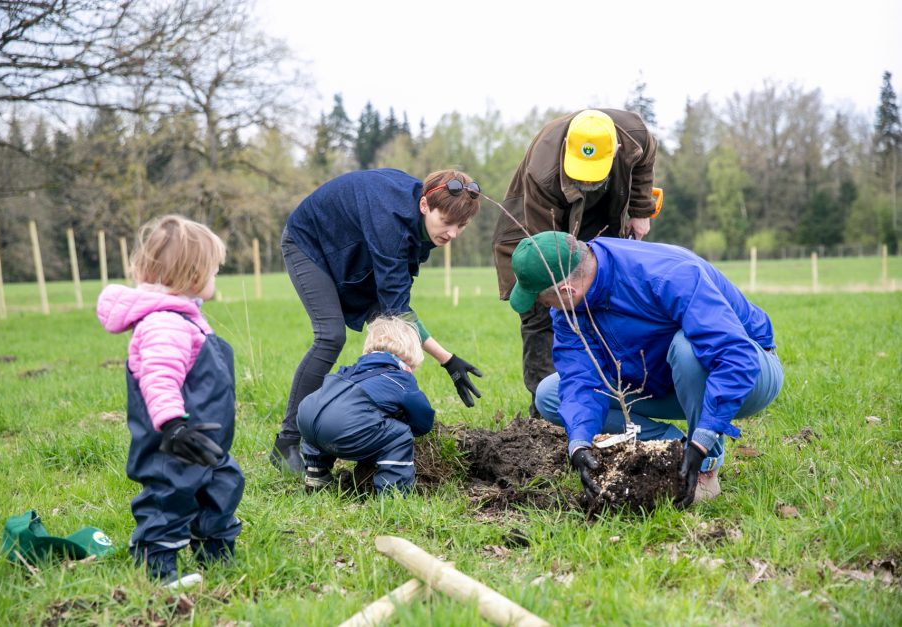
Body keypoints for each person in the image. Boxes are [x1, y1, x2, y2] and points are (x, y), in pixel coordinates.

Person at [508, 232, 783, 508]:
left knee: (687, 349)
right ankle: (674, 448)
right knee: (550, 394)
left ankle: (704, 466)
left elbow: (734, 355)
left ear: (567, 291)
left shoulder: (666, 274)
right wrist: (579, 443)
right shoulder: (570, 310)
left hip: (749, 372)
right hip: (660, 382)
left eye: (545, 302)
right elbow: (580, 378)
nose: (547, 309)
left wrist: (704, 439)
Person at [270, 168, 484, 474]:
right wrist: (441, 359)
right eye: (446, 223)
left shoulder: (416, 221)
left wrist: (448, 360)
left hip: (353, 254)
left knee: (387, 317)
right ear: (425, 205)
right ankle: (288, 442)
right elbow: (396, 311)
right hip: (309, 243)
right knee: (330, 336)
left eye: (461, 226)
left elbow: (396, 306)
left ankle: (373, 429)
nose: (452, 234)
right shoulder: (392, 223)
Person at [97, 215, 243, 585]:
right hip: (173, 442)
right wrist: (173, 426)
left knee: (223, 484)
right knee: (169, 498)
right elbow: (159, 378)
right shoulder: (165, 324)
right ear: (193, 275)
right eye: (213, 271)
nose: (214, 278)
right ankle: (156, 567)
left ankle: (216, 552)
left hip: (204, 440)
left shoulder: (185, 318)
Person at [492, 109, 659, 416]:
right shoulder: (542, 172)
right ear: (568, 144)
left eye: (591, 173)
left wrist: (639, 209)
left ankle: (608, 399)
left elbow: (645, 162)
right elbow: (546, 253)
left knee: (605, 303)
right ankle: (547, 412)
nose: (584, 178)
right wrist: (565, 294)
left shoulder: (633, 136)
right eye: (579, 171)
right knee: (543, 312)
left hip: (599, 223)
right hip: (534, 232)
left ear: (617, 151)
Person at [297, 316, 435, 494]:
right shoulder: (401, 379)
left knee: (327, 417)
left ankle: (317, 473)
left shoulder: (351, 370)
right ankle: (394, 492)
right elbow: (424, 421)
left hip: (307, 417)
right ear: (409, 356)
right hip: (345, 429)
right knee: (400, 435)